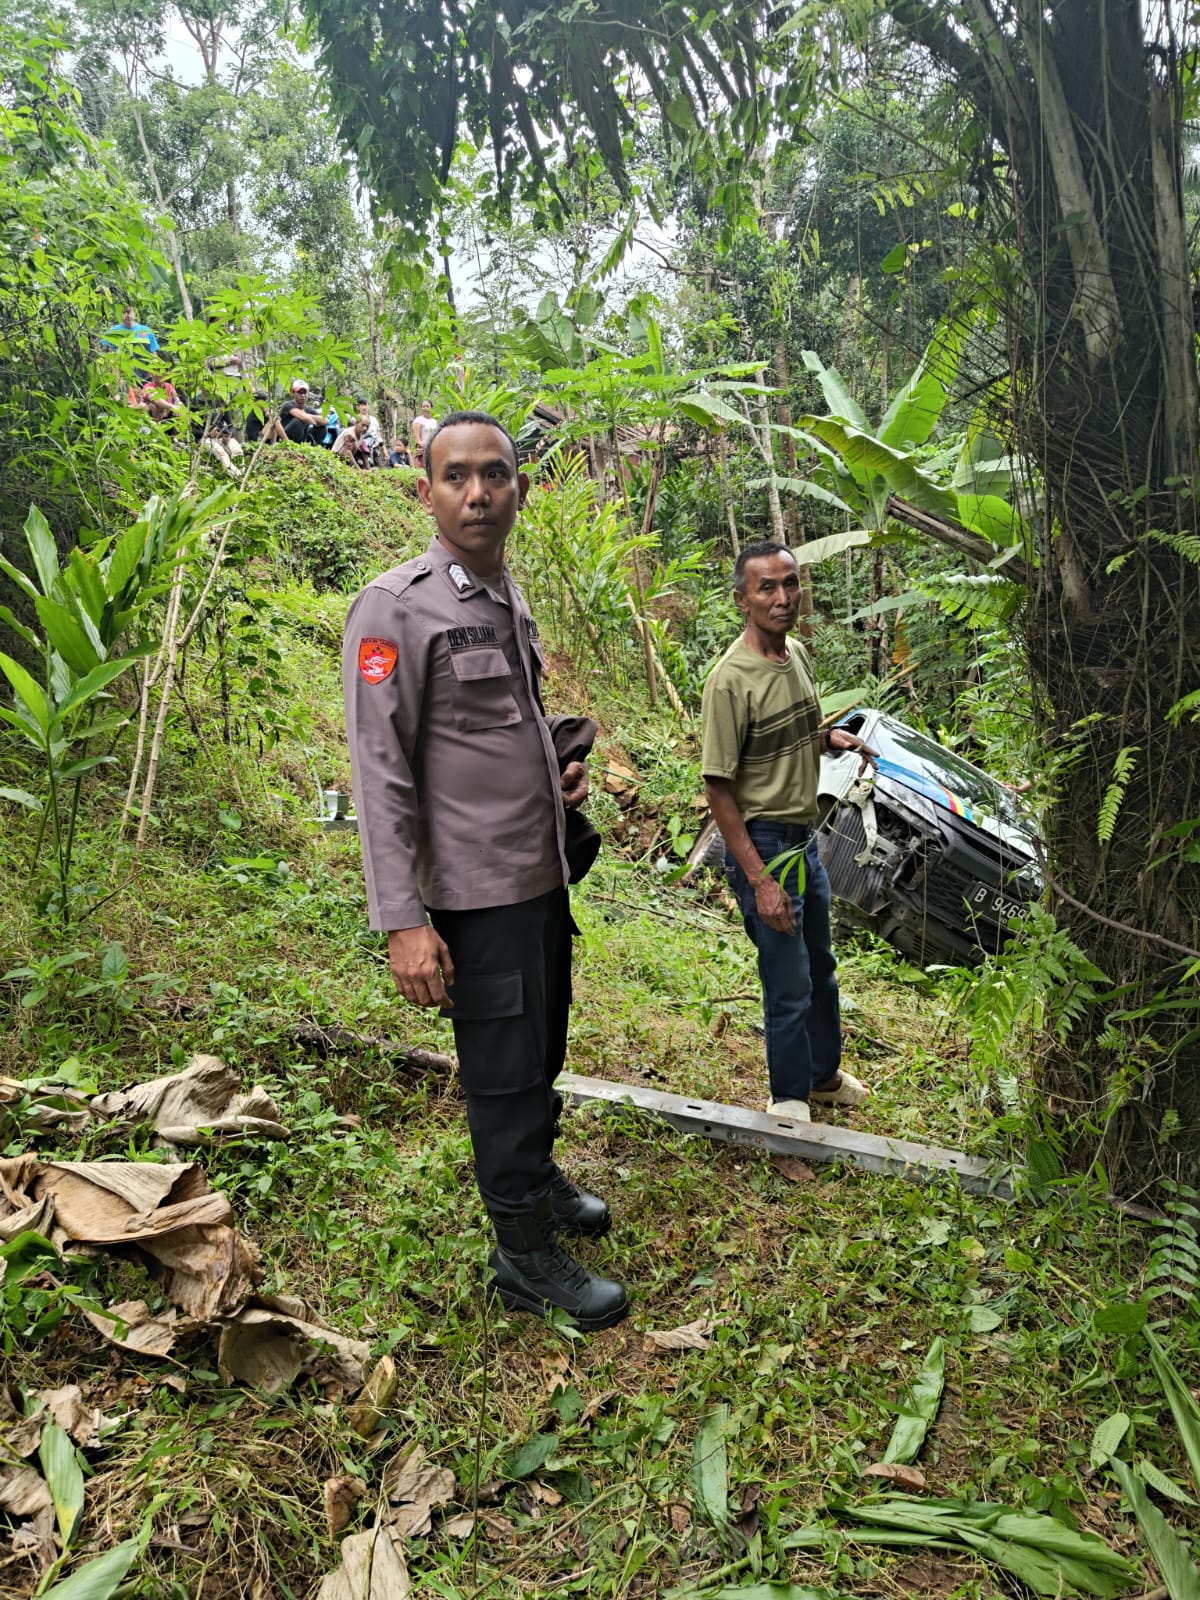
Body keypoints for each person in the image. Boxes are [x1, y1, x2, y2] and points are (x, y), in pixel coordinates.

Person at [342, 409, 626, 1332]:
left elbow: (500, 728)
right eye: (456, 476)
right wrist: (403, 921)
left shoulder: (507, 598)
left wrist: (557, 768)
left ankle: (537, 1185)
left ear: (520, 489)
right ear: (423, 491)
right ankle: (523, 1255)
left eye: (495, 475)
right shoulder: (395, 607)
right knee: (503, 1071)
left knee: (542, 1050)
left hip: (538, 877)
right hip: (473, 894)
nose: (478, 492)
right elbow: (381, 771)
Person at [701, 541, 876, 1125]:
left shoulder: (796, 653)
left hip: (805, 839)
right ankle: (788, 1102)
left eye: (790, 583)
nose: (782, 598)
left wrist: (830, 740)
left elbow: (796, 733)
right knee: (787, 980)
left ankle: (822, 1076)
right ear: (742, 601)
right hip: (766, 846)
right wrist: (760, 881)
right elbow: (719, 790)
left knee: (820, 966)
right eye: (766, 588)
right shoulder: (729, 681)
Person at [280, 379, 326, 444]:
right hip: (286, 437)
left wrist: (308, 417)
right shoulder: (287, 405)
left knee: (322, 427)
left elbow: (325, 421)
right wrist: (315, 421)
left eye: (304, 392)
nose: (303, 395)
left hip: (303, 436)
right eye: (299, 392)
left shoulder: (309, 409)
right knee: (299, 420)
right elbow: (303, 417)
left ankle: (312, 446)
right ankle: (295, 447)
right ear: (293, 393)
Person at [411, 399, 437, 468]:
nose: (425, 408)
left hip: (433, 448)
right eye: (423, 406)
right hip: (423, 448)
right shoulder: (419, 420)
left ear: (431, 408)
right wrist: (420, 447)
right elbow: (416, 436)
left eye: (427, 406)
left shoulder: (434, 421)